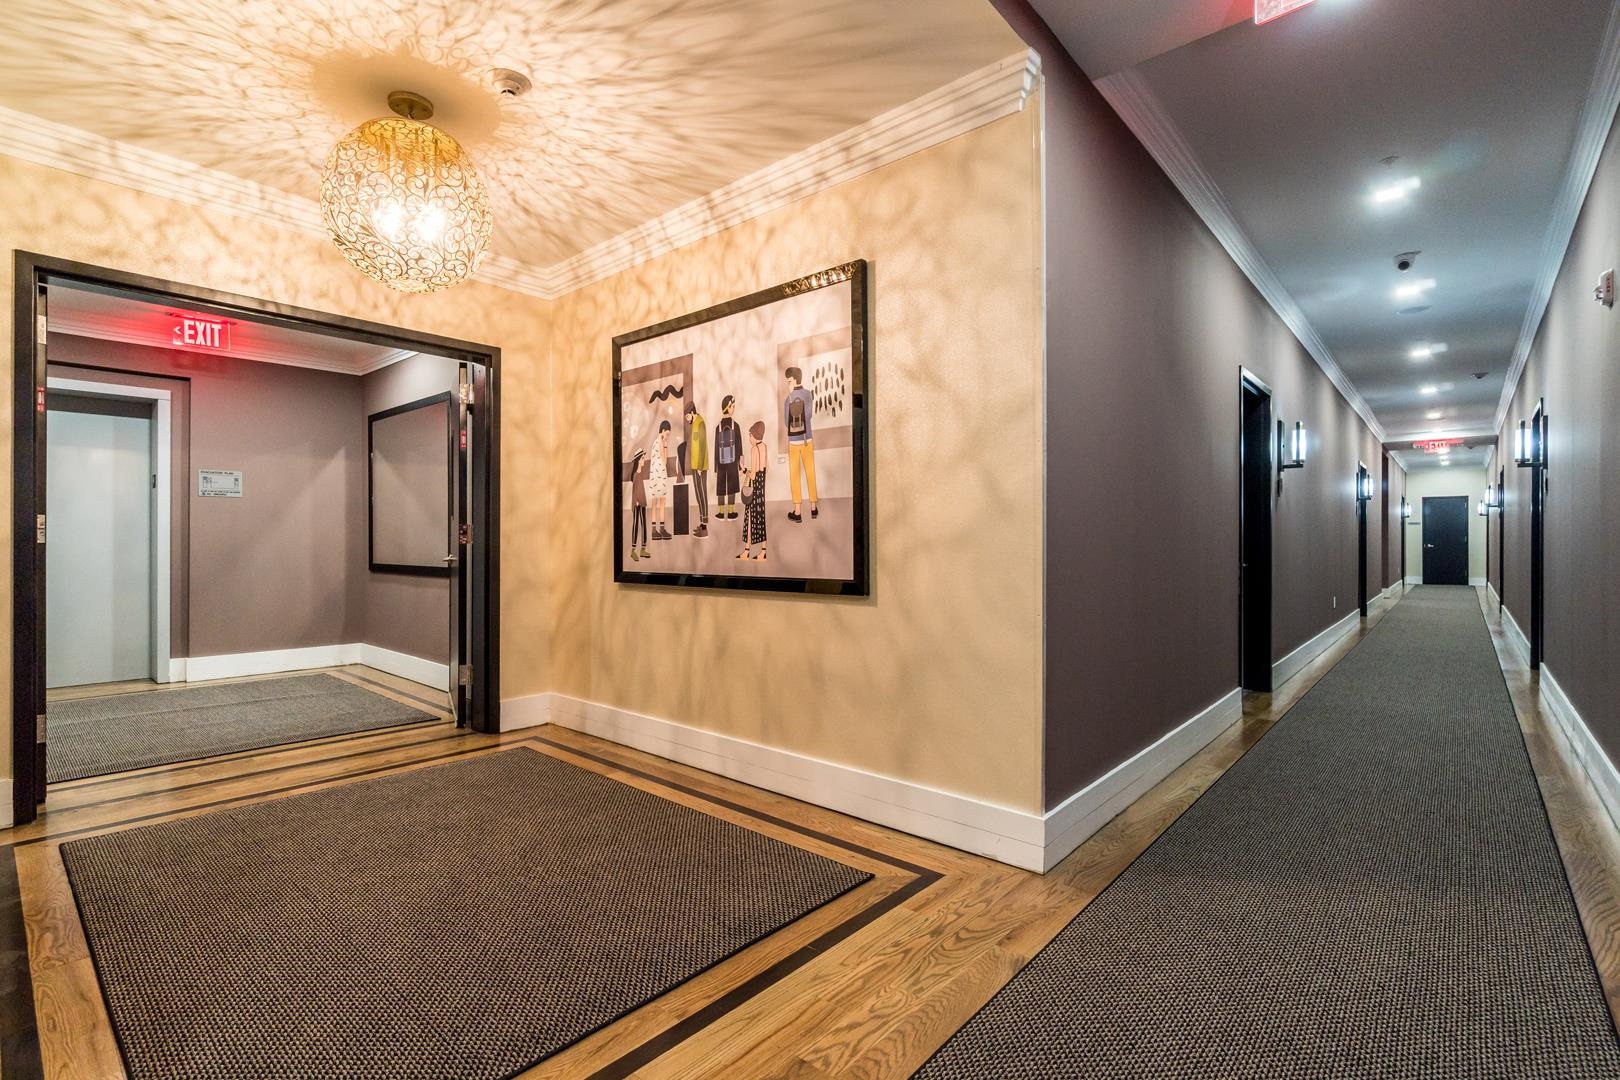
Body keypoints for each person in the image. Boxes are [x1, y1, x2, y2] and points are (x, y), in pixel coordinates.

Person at [782, 366, 817, 522]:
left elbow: (785, 422)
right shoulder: (808, 394)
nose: (787, 383)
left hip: (793, 441)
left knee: (794, 475)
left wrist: (791, 397)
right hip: (807, 439)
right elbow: (809, 416)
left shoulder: (788, 398)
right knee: (810, 472)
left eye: (788, 380)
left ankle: (797, 511)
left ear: (793, 379)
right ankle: (813, 507)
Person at [738, 420, 768, 561]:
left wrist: (744, 470)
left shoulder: (754, 449)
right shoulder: (764, 447)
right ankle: (763, 551)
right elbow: (762, 470)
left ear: (755, 435)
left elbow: (753, 475)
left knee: (749, 519)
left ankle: (747, 550)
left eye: (750, 435)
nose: (749, 438)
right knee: (760, 518)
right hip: (761, 487)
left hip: (754, 488)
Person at [713, 395, 742, 521]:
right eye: (733, 406)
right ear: (727, 407)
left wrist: (715, 468)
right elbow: (740, 448)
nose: (734, 409)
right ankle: (730, 512)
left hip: (720, 462)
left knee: (720, 485)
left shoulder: (717, 427)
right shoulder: (736, 426)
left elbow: (715, 448)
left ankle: (720, 512)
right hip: (733, 461)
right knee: (732, 484)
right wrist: (740, 466)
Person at [684, 400, 710, 537]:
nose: (687, 419)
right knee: (698, 495)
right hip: (695, 466)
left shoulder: (700, 423)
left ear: (692, 413)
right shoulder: (695, 424)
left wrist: (700, 466)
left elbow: (702, 445)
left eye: (687, 416)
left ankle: (705, 527)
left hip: (700, 467)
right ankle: (702, 523)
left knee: (702, 494)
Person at [646, 421, 672, 539]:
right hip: (659, 475)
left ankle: (655, 530)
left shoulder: (654, 442)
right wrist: (666, 445)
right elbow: (664, 460)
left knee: (656, 503)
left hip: (655, 475)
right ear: (663, 431)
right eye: (667, 434)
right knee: (660, 503)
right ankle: (659, 529)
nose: (667, 436)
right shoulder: (660, 442)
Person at [627, 449, 650, 562]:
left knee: (643, 524)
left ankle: (643, 548)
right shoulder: (636, 475)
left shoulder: (640, 473)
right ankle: (633, 550)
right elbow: (635, 490)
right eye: (643, 458)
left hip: (643, 502)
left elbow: (641, 489)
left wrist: (644, 501)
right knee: (636, 525)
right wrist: (636, 502)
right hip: (637, 503)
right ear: (639, 460)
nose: (644, 460)